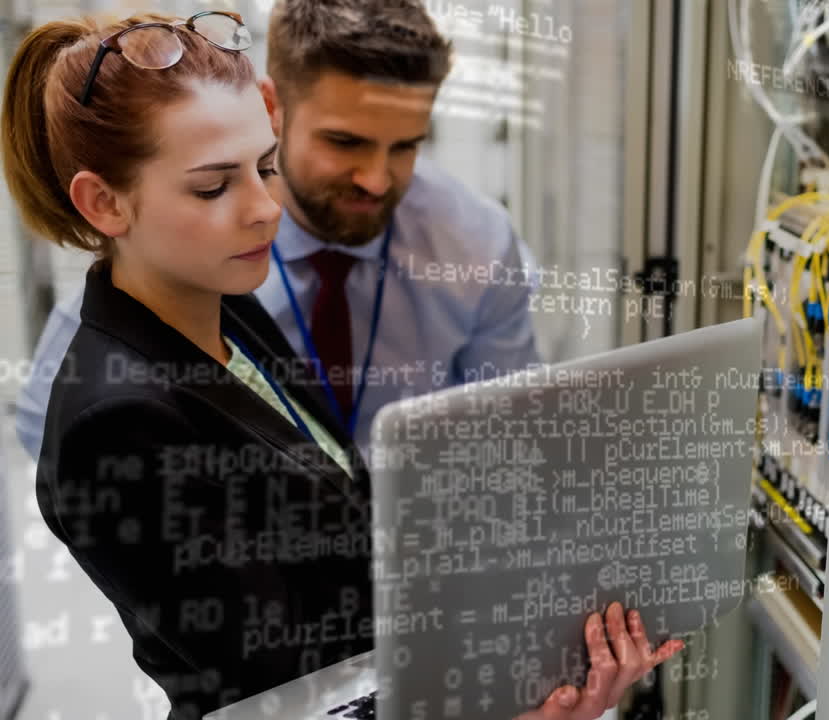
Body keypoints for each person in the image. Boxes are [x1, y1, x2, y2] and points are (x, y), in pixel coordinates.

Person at [1, 10, 677, 720]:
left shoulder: (222, 306)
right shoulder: (116, 422)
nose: (266, 208)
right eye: (213, 187)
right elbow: (280, 692)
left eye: (263, 168)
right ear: (104, 203)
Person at [16, 0, 541, 460]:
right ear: (273, 109)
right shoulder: (186, 255)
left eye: (405, 146)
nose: (378, 181)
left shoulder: (478, 242)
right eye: (345, 142)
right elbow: (61, 432)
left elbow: (510, 433)